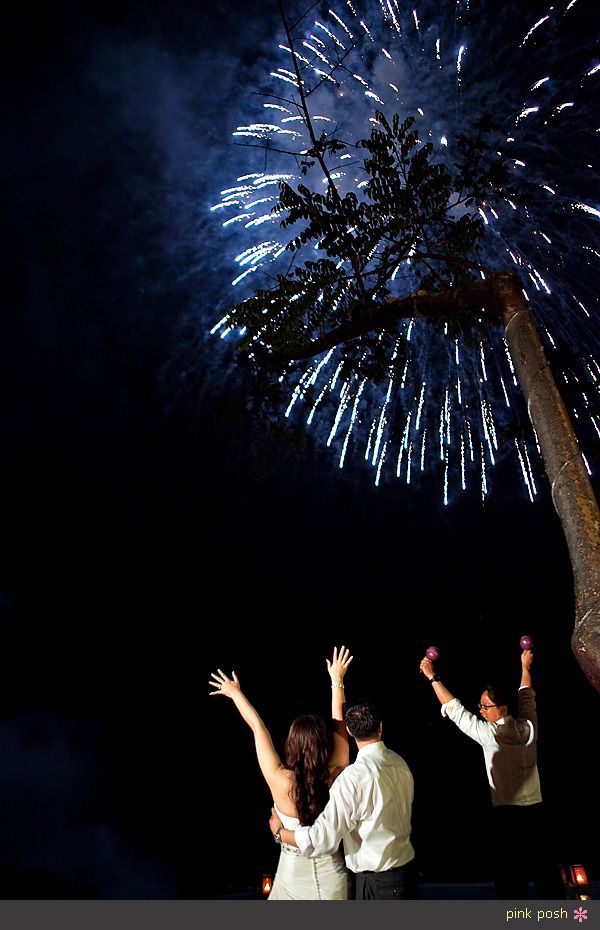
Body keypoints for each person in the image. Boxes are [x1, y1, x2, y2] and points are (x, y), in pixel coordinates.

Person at [208, 645, 353, 900]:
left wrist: (235, 694)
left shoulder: (278, 778)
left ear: (291, 743)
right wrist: (337, 681)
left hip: (290, 873)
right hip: (331, 875)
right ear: (324, 745)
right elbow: (338, 724)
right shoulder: (336, 773)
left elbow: (256, 726)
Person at [419, 646, 565, 899]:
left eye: (486, 706)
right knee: (547, 877)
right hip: (537, 814)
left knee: (510, 882)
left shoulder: (490, 736)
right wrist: (525, 666)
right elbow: (526, 695)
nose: (481, 710)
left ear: (503, 708)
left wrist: (432, 678)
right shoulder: (529, 725)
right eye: (481, 705)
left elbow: (454, 709)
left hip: (507, 818)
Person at [268, 700, 418, 899]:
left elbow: (322, 838)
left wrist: (280, 833)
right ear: (380, 727)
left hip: (377, 883)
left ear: (349, 730)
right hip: (407, 874)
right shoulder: (400, 763)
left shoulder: (352, 780)